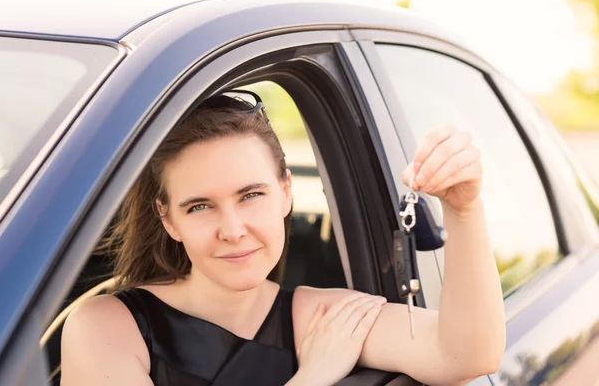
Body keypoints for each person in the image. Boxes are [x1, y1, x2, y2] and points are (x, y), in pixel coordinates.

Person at [60, 91, 505, 386]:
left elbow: (465, 354)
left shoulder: (322, 319)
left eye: (251, 195)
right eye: (199, 206)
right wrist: (312, 378)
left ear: (287, 191)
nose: (232, 230)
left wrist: (463, 209)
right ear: (168, 219)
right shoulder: (106, 328)